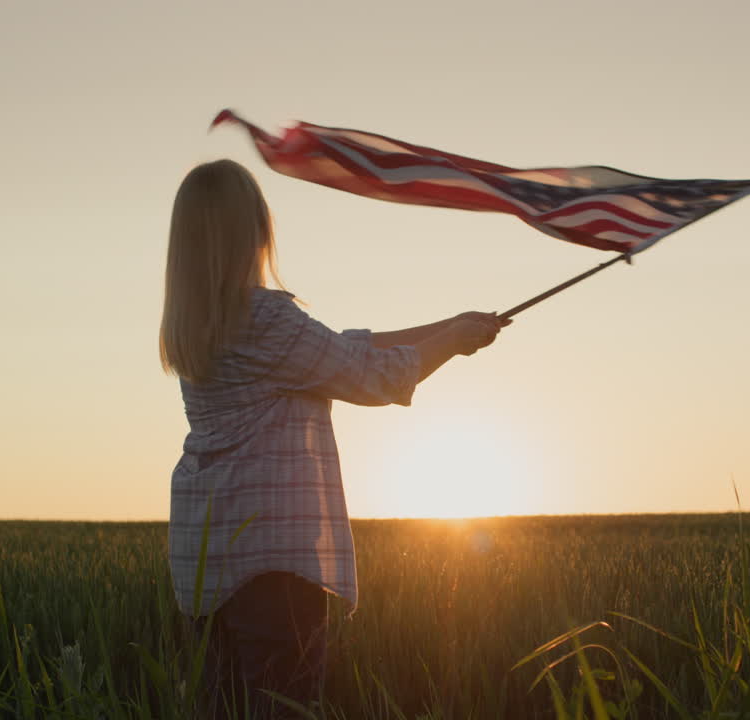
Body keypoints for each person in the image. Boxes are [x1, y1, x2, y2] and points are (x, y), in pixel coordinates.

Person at [159, 159, 508, 717]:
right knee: (284, 704)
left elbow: (337, 349)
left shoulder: (197, 325)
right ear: (252, 230)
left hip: (208, 559)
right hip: (273, 566)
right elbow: (371, 376)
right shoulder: (268, 320)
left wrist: (448, 329)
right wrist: (452, 343)